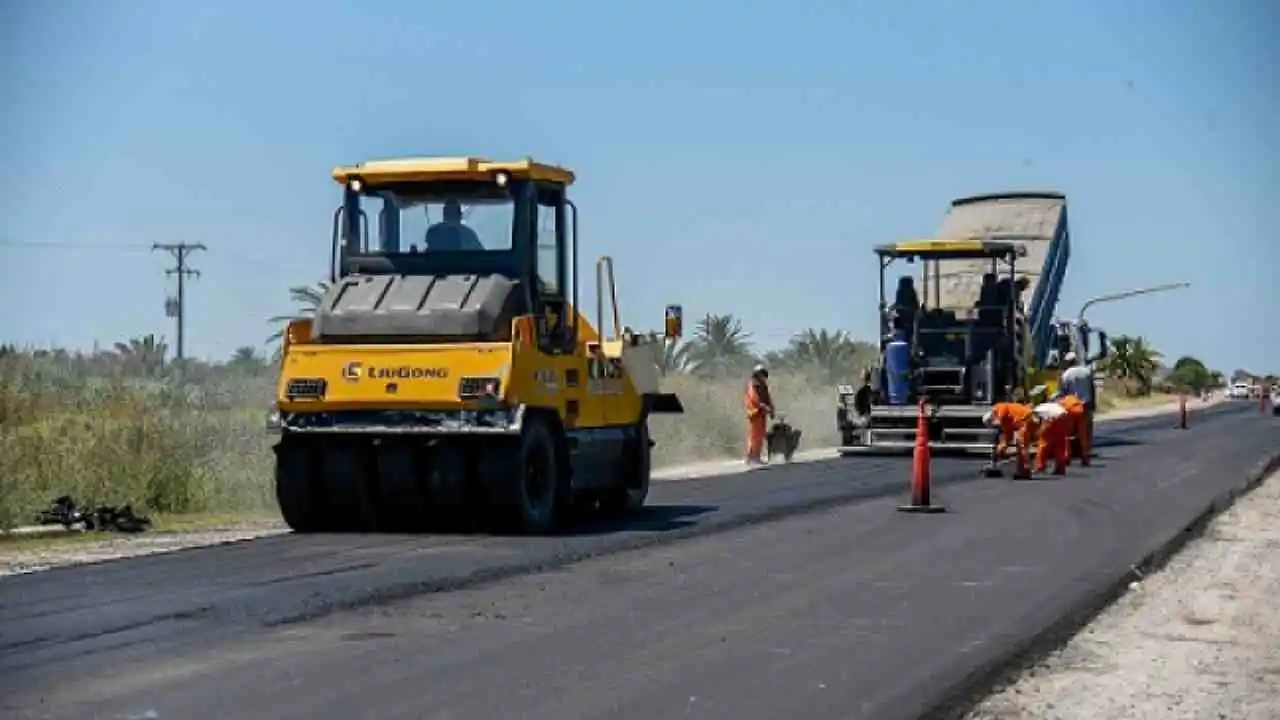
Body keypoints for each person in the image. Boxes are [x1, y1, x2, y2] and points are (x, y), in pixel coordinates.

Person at [1054, 351, 1096, 461]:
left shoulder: (1066, 374)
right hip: (1086, 405)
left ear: (1068, 362)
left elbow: (1062, 392)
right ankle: (1086, 454)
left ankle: (1067, 455)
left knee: (1067, 432)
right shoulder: (1086, 371)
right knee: (1085, 432)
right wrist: (1093, 404)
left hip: (1071, 405)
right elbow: (1092, 389)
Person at [982, 400, 1035, 479]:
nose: (996, 427)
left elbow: (1003, 414)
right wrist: (1002, 448)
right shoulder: (1005, 420)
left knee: (1022, 446)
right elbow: (1008, 436)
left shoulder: (999, 408)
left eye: (992, 424)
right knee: (1020, 446)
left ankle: (1027, 469)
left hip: (1026, 418)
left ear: (992, 418)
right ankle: (1022, 471)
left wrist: (1000, 449)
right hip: (1025, 420)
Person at [744, 364, 775, 465]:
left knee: (760, 436)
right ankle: (751, 456)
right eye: (760, 374)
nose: (762, 377)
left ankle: (756, 456)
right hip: (754, 414)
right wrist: (764, 407)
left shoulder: (763, 386)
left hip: (762, 414)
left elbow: (768, 398)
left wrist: (772, 409)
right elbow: (754, 399)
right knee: (754, 436)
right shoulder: (752, 386)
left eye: (763, 375)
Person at [1031, 401, 1071, 475]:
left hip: (1050, 429)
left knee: (1043, 448)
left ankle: (1039, 466)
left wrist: (1038, 433)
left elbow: (1044, 426)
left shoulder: (1044, 412)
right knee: (1059, 449)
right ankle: (1061, 468)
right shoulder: (1060, 410)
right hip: (1061, 428)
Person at [1056, 392, 1091, 466]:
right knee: (1083, 435)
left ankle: (1067, 455)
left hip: (1070, 412)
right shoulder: (1077, 398)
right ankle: (1085, 456)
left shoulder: (1063, 399)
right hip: (1080, 411)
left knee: (1066, 435)